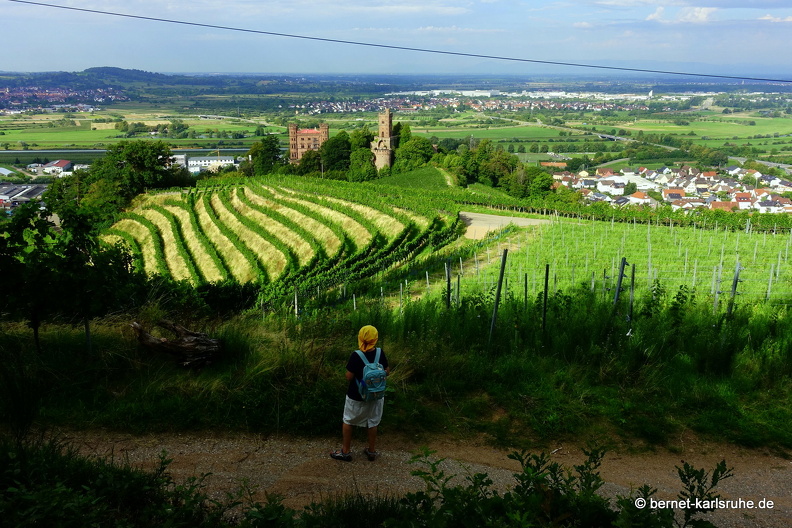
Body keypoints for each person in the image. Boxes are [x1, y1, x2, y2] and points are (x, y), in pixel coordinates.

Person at [330, 325, 389, 462]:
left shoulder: (356, 355)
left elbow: (349, 377)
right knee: (373, 422)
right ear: (375, 338)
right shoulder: (380, 353)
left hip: (356, 396)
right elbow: (387, 372)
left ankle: (345, 452)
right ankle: (371, 451)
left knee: (348, 420)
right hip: (376, 396)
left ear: (360, 337)